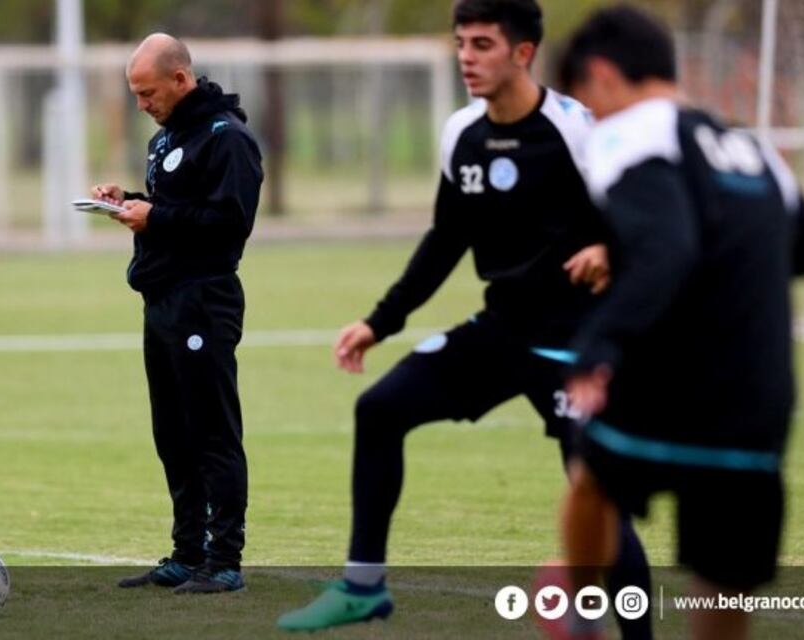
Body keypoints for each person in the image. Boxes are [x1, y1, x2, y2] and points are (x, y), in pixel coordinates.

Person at [278, 1, 652, 635]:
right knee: (380, 409)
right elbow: (445, 241)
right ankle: (363, 586)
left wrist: (610, 250)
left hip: (574, 345)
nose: (466, 58)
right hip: (500, 332)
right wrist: (380, 322)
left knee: (594, 497)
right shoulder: (463, 134)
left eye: (482, 44)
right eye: (460, 44)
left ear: (523, 53)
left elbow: (648, 211)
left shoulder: (578, 129)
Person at [555, 6, 804, 639]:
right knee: (719, 585)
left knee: (590, 467)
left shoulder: (629, 132)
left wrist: (598, 343)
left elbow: (667, 248)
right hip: (757, 402)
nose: (592, 119)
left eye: (588, 103)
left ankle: (581, 610)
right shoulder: (750, 146)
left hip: (669, 384)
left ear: (601, 76)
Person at [92, 33, 263, 594]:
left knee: (212, 429)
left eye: (147, 93)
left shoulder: (228, 138)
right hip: (162, 299)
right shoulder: (168, 138)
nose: (142, 105)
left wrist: (157, 218)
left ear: (181, 80)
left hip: (204, 301)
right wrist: (130, 201)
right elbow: (176, 206)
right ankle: (186, 553)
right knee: (172, 431)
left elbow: (229, 222)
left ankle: (225, 560)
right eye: (136, 95)